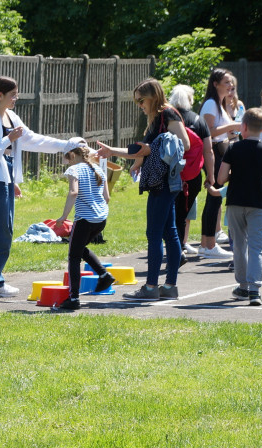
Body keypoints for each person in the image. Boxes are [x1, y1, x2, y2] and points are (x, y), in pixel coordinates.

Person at [0, 76, 71, 298]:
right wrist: (8, 139)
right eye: (13, 95)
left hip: (4, 178)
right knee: (3, 232)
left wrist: (66, 145)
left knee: (1, 230)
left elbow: (33, 140)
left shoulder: (11, 116)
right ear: (0, 95)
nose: (17, 98)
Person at [98, 78, 190, 301]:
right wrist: (115, 152)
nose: (139, 105)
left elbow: (183, 143)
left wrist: (152, 149)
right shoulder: (157, 118)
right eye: (137, 101)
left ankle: (150, 288)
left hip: (165, 183)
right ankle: (169, 287)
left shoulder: (168, 114)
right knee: (169, 233)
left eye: (141, 100)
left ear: (153, 97)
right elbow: (141, 150)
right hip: (164, 182)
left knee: (154, 234)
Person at [217, 108, 262, 306]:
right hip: (258, 203)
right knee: (256, 247)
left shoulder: (233, 149)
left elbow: (221, 178)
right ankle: (254, 289)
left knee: (239, 245)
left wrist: (233, 175)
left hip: (236, 201)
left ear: (243, 127)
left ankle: (242, 285)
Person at [52, 138, 113, 311]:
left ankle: (74, 298)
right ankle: (104, 275)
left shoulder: (74, 169)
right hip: (101, 219)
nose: (67, 160)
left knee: (73, 256)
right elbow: (106, 198)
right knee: (78, 248)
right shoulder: (98, 169)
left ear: (72, 154)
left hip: (84, 220)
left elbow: (74, 192)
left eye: (67, 157)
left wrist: (63, 217)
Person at [198, 69, 239, 259]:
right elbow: (210, 132)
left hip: (221, 151)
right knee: (213, 197)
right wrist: (232, 126)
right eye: (226, 82)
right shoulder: (210, 104)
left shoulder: (220, 104)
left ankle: (207, 244)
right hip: (213, 152)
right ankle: (208, 245)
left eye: (231, 82)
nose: (230, 86)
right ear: (215, 84)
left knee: (215, 198)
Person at [169, 84, 214, 256]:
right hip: (192, 175)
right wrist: (210, 175)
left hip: (171, 173)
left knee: (170, 212)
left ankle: (174, 247)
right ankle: (178, 246)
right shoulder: (198, 120)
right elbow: (208, 151)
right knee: (183, 213)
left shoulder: (169, 119)